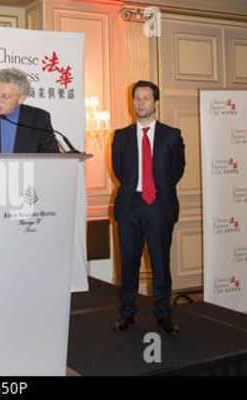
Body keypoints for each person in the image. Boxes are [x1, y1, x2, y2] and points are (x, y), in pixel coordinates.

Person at [112, 80, 185, 335]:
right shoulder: (121, 136)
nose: (140, 103)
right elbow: (119, 170)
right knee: (128, 264)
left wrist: (156, 190)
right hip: (129, 207)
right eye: (137, 98)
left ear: (155, 102)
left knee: (160, 265)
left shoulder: (172, 135)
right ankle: (127, 314)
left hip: (159, 207)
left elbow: (177, 170)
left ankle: (164, 315)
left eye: (146, 98)